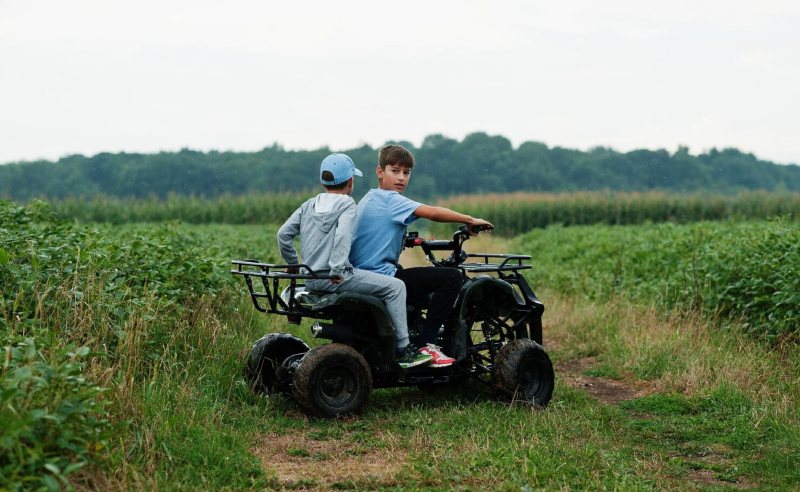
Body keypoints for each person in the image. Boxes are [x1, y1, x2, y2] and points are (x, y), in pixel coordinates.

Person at [277, 153, 432, 369]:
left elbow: (283, 235)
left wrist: (293, 264)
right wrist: (338, 269)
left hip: (311, 278)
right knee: (396, 287)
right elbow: (343, 237)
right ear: (350, 181)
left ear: (323, 181)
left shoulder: (308, 205)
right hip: (336, 277)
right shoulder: (347, 204)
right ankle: (404, 349)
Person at [349, 144, 493, 367]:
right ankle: (427, 344)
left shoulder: (368, 198)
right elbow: (432, 212)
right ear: (380, 172)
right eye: (394, 171)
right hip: (382, 276)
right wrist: (469, 220)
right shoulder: (392, 200)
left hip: (364, 274)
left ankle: (411, 329)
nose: (401, 178)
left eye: (406, 173)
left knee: (410, 279)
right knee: (451, 277)